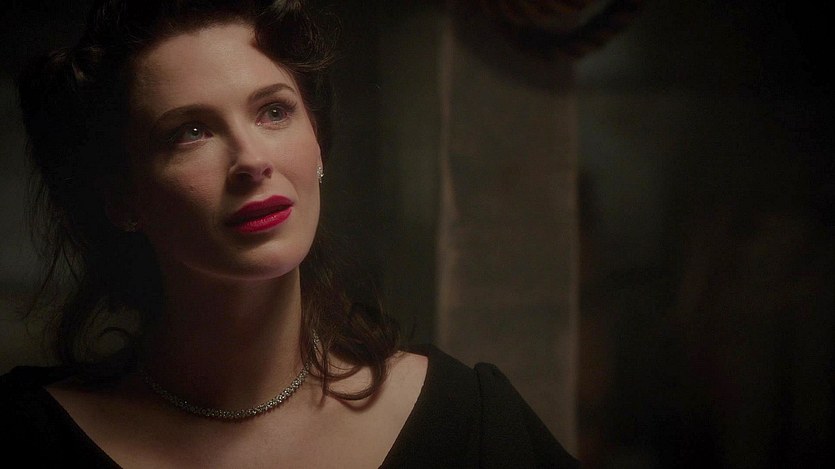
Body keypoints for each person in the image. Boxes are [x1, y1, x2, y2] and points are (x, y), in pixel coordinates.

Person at [0, 0, 579, 467]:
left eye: (274, 111)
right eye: (191, 131)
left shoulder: (469, 421)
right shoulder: (28, 435)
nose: (252, 160)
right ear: (122, 197)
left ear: (318, 143)